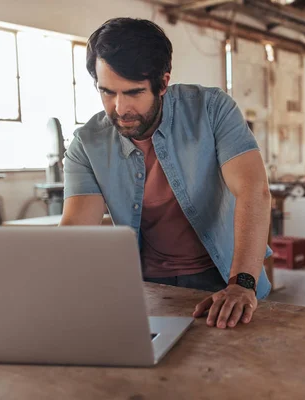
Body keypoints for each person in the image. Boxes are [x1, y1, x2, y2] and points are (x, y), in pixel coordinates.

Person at [60, 17, 272, 329]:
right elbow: (77, 229)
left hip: (227, 281)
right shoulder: (87, 143)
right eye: (107, 92)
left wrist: (242, 283)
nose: (119, 108)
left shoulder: (212, 109)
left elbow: (254, 190)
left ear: (163, 83)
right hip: (149, 288)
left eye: (133, 92)